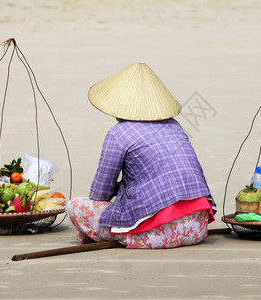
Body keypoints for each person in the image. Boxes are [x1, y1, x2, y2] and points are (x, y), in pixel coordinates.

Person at [66, 62, 216, 249]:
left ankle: (103, 235)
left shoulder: (119, 133)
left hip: (155, 234)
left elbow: (99, 194)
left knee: (74, 206)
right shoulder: (175, 126)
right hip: (197, 228)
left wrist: (120, 190)